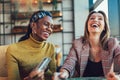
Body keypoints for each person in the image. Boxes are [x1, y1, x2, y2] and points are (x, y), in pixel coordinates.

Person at [54, 10, 120, 80]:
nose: (95, 20)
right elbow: (69, 63)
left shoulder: (112, 43)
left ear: (104, 27)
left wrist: (118, 76)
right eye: (92, 18)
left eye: (100, 19)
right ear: (87, 25)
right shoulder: (78, 43)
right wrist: (63, 73)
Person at [6, 10, 56, 80]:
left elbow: (53, 76)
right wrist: (30, 78)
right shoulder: (13, 49)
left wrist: (45, 69)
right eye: (46, 24)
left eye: (52, 26)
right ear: (33, 25)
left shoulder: (50, 47)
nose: (49, 29)